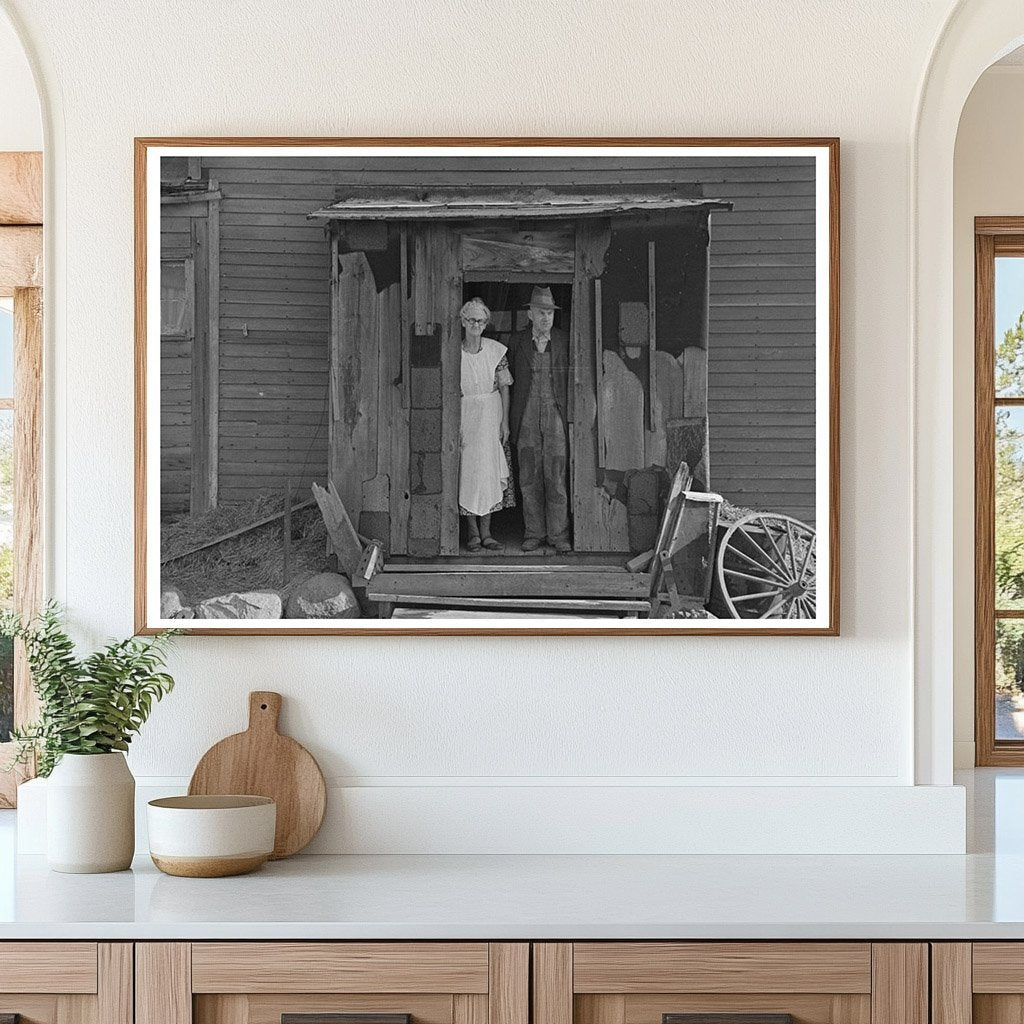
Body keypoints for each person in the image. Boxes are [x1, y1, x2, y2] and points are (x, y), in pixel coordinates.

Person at [506, 286, 571, 553]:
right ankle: (534, 533)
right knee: (529, 476)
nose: (546, 317)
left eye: (550, 313)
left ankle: (558, 535)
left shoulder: (564, 340)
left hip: (555, 414)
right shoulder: (517, 342)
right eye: (541, 312)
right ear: (530, 314)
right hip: (527, 415)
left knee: (556, 475)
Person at [458, 297, 514, 551]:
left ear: (486, 323)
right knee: (469, 474)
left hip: (491, 416)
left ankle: (487, 532)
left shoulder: (495, 351)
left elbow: (505, 388)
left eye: (480, 321)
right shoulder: (455, 352)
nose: (476, 325)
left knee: (489, 471)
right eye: (471, 320)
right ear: (463, 321)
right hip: (466, 416)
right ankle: (472, 534)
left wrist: (504, 423)